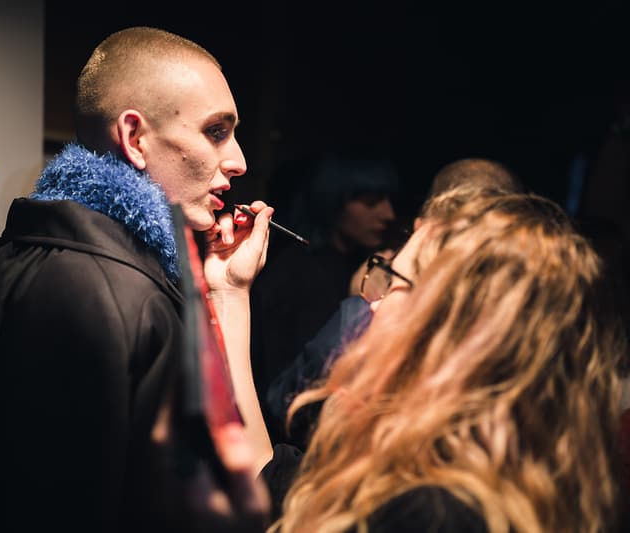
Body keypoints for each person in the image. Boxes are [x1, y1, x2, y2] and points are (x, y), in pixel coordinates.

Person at [0, 26, 273, 532]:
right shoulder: (121, 295)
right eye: (216, 131)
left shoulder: (1, 257)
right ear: (135, 138)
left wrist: (228, 291)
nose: (239, 160)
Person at [167, 188, 627, 532]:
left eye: (393, 279)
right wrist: (229, 293)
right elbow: (269, 478)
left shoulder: (435, 512)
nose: (375, 303)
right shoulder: (441, 462)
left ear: (455, 325)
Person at [265, 157, 524, 449]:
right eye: (371, 201)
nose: (388, 214)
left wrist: (357, 310)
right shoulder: (304, 273)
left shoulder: (367, 308)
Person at [250, 150, 400, 439]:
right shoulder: (296, 275)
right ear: (333, 203)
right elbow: (283, 392)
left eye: (388, 200)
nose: (387, 214)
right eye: (370, 201)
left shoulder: (357, 262)